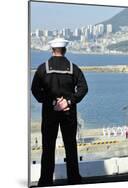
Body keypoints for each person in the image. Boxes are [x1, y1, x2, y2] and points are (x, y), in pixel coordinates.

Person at [31, 38, 88, 186]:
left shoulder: (43, 68)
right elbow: (83, 88)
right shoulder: (73, 68)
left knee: (48, 147)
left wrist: (52, 102)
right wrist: (68, 102)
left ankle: (45, 181)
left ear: (52, 50)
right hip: (69, 113)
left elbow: (35, 89)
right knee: (70, 147)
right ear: (65, 50)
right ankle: (74, 179)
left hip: (50, 113)